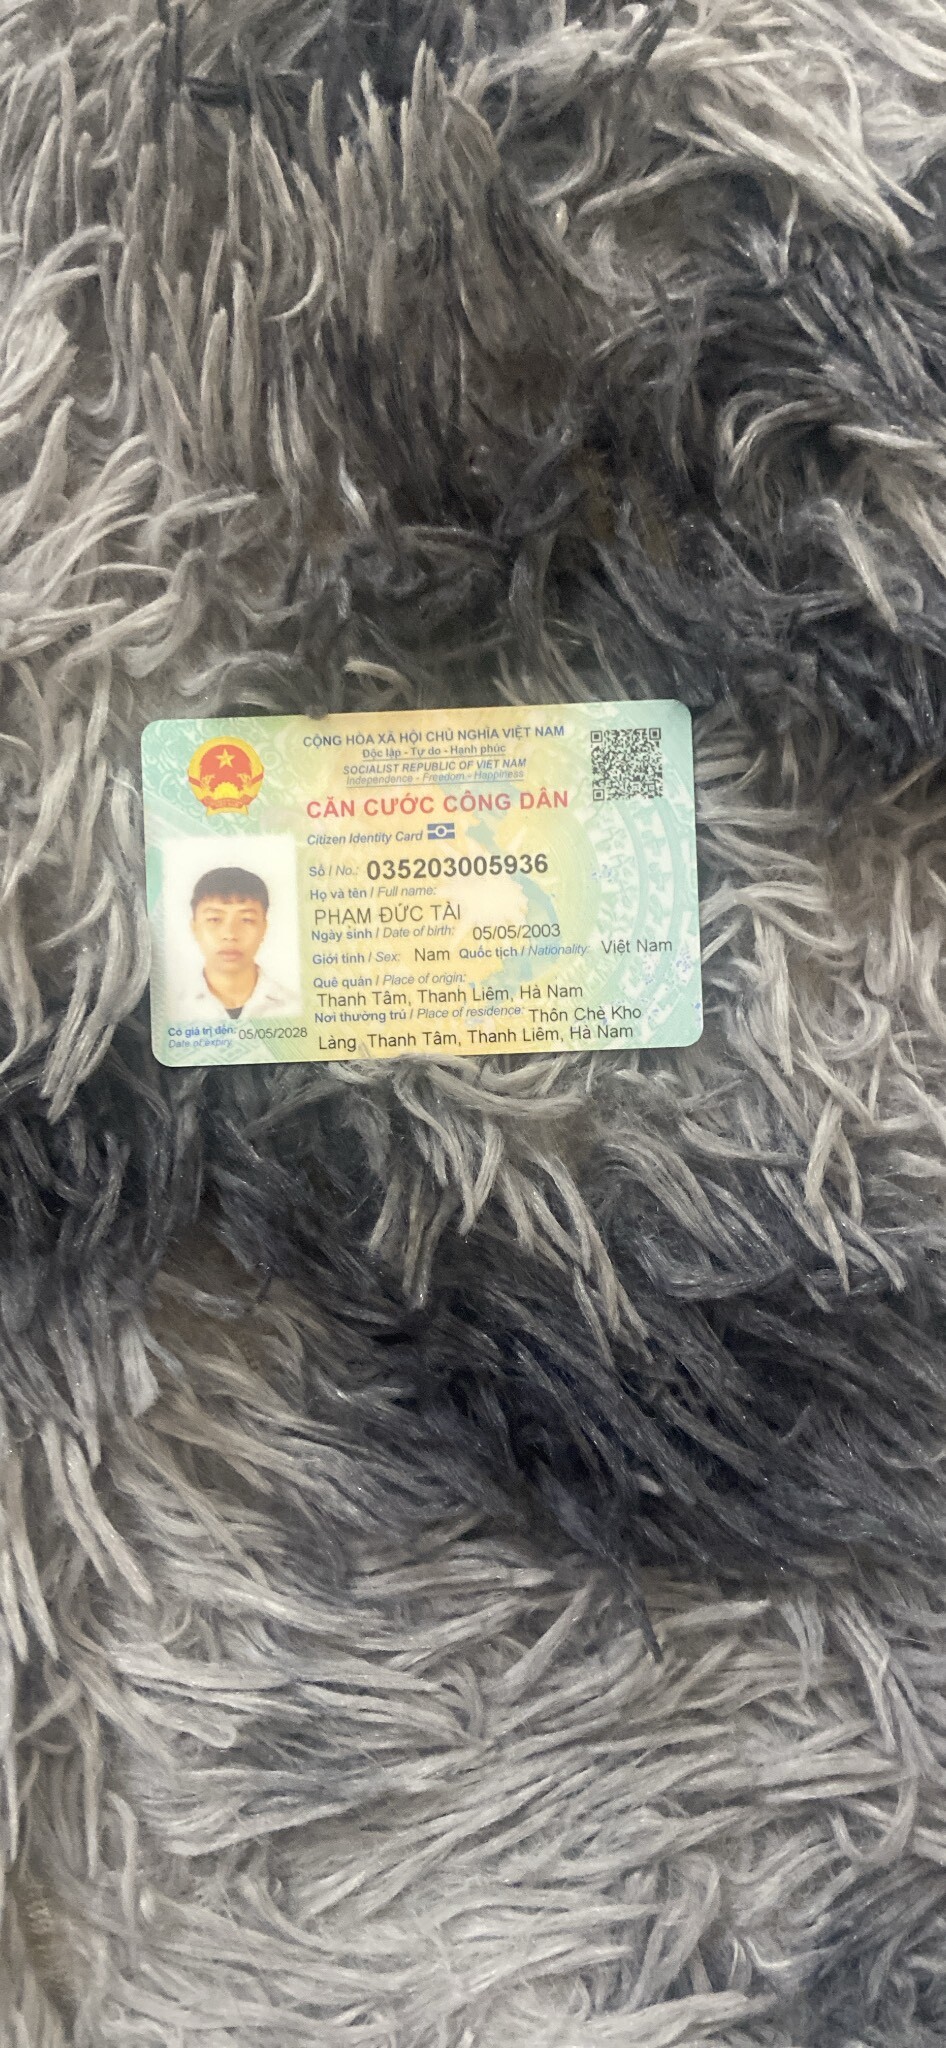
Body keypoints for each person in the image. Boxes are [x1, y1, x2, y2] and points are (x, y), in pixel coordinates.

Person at [185, 867, 297, 1020]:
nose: (230, 934)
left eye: (247, 920)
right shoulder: (174, 1007)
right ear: (194, 927)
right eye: (214, 919)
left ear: (264, 928)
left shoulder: (294, 1008)